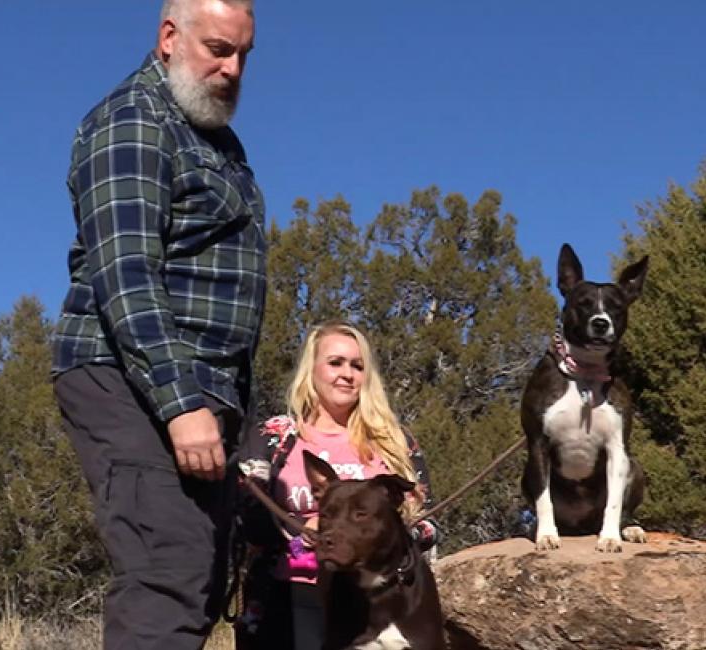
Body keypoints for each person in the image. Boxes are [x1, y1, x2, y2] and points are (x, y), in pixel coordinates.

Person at [50, 1, 265, 647]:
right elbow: (126, 274)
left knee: (204, 577)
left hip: (203, 388)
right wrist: (181, 404)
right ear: (169, 36)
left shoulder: (216, 141)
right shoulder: (133, 121)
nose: (231, 70)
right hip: (129, 375)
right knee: (167, 565)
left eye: (243, 57)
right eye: (219, 49)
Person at [234, 321, 440, 650]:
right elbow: (247, 516)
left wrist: (384, 538)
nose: (347, 374)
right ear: (311, 369)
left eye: (357, 366)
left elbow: (428, 526)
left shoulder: (394, 441)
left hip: (383, 603)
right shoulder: (273, 436)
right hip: (283, 599)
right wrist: (303, 533)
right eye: (335, 362)